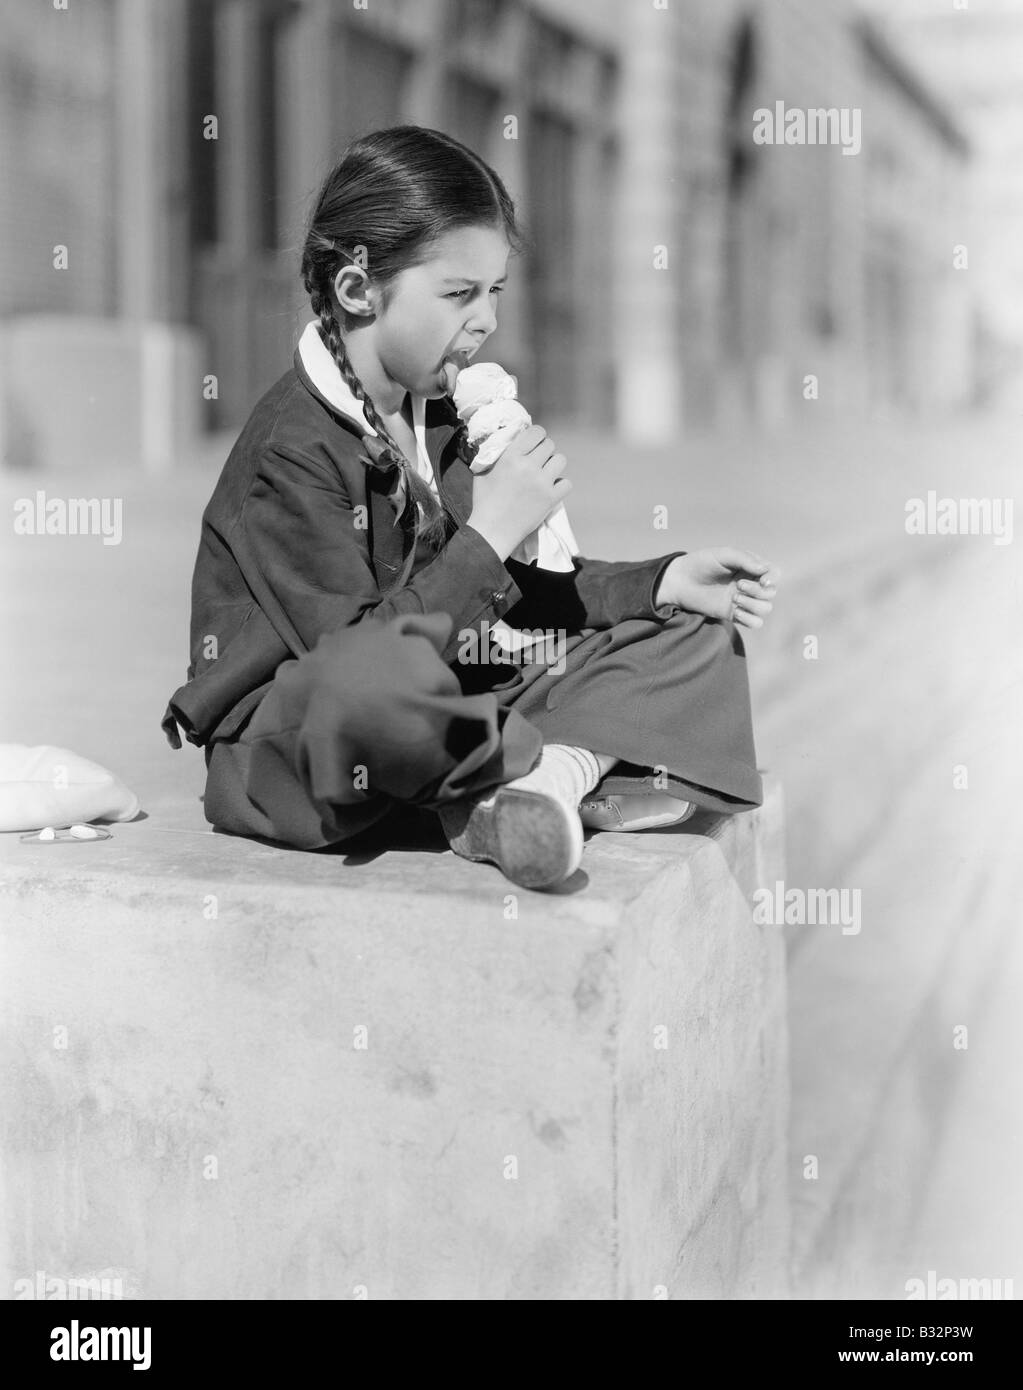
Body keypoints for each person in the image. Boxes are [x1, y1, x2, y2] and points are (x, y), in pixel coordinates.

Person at [161, 126, 779, 891]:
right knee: (375, 692)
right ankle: (552, 773)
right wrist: (490, 530)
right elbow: (367, 658)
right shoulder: (292, 451)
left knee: (693, 632)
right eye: (458, 294)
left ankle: (544, 780)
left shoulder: (437, 410)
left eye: (494, 292)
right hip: (310, 737)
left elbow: (519, 596)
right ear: (357, 290)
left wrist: (661, 581)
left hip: (447, 689)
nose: (484, 321)